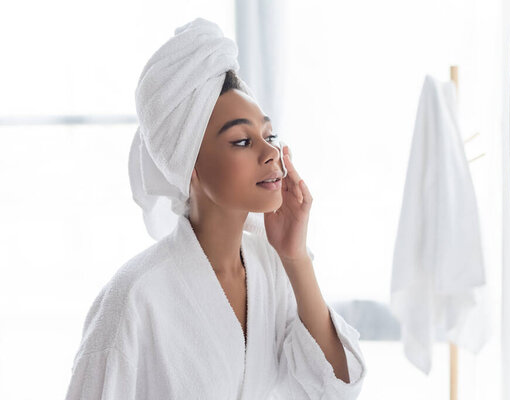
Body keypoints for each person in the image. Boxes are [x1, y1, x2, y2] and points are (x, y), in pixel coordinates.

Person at [64, 17, 366, 400]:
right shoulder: (135, 298)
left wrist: (296, 257)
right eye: (241, 141)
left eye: (268, 135)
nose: (271, 152)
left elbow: (336, 387)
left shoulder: (270, 267)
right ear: (188, 164)